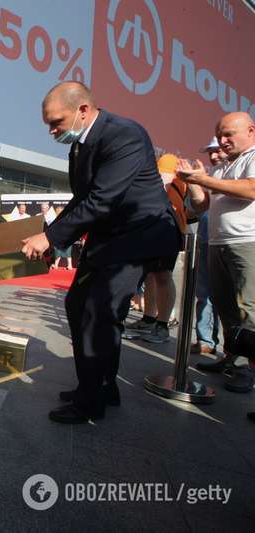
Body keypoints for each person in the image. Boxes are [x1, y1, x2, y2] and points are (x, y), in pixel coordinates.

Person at [23, 82, 180, 424]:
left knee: (99, 312)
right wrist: (51, 237)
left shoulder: (124, 134)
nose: (52, 131)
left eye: (56, 122)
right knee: (77, 304)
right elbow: (81, 200)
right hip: (108, 237)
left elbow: (103, 199)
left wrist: (50, 238)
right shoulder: (79, 146)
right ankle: (101, 386)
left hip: (137, 235)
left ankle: (90, 402)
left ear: (83, 110)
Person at [179, 112, 255, 400]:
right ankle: (232, 358)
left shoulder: (252, 158)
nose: (222, 141)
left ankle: (248, 368)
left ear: (250, 131)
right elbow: (202, 206)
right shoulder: (223, 167)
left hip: (247, 243)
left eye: (228, 134)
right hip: (217, 243)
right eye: (219, 134)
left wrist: (206, 180)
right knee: (226, 307)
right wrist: (195, 184)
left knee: (249, 310)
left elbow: (251, 189)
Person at [124, 154, 187, 344]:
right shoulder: (152, 165)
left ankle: (162, 325)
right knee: (150, 275)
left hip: (166, 227)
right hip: (153, 227)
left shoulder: (167, 161)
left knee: (162, 275)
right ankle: (149, 319)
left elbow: (161, 185)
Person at [191, 138, 224, 356]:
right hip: (206, 238)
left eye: (217, 151)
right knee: (204, 293)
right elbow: (200, 206)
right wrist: (194, 184)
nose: (213, 156)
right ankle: (205, 340)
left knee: (230, 299)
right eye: (210, 152)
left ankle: (235, 352)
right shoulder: (213, 174)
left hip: (231, 242)